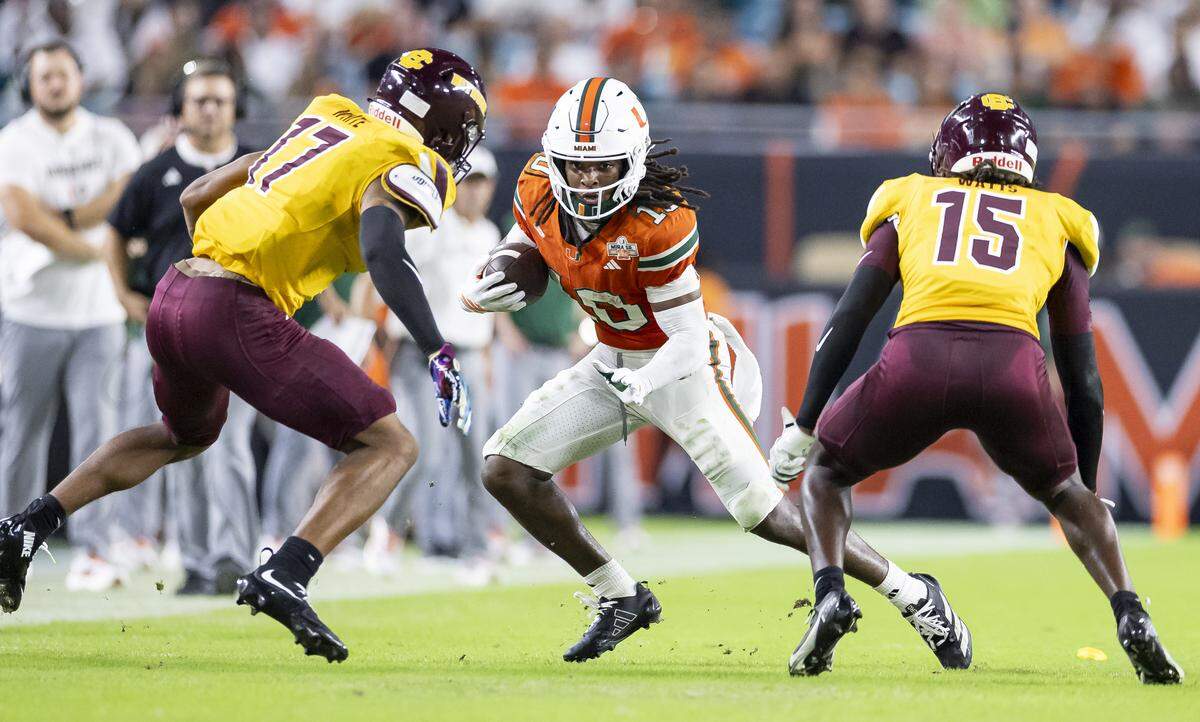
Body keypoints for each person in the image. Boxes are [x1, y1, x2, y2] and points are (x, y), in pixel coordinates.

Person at [461, 77, 970, 667]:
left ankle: (914, 595)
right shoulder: (537, 186)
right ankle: (620, 595)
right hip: (611, 358)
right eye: (576, 166)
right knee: (506, 470)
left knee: (764, 513)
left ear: (632, 161)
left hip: (681, 368)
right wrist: (497, 268)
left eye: (603, 168)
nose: (587, 181)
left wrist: (646, 384)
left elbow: (686, 338)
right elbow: (525, 235)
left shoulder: (659, 222)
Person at [0, 48, 484, 664]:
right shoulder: (405, 158)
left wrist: (218, 259)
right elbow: (384, 250)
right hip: (233, 310)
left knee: (182, 435)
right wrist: (436, 347)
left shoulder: (329, 114)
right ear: (443, 123)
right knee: (391, 444)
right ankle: (288, 571)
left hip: (174, 294)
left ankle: (29, 524)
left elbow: (198, 194)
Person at [767, 93, 1183, 684]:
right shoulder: (1057, 219)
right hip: (1011, 367)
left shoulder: (910, 197)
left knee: (827, 474)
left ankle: (831, 594)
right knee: (1066, 495)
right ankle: (1131, 613)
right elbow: (1084, 380)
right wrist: (1084, 488)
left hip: (918, 358)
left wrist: (807, 423)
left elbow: (850, 317)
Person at [104, 58, 260, 594]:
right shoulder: (155, 172)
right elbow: (116, 232)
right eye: (200, 100)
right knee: (186, 443)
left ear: (236, 106)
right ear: (181, 109)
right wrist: (125, 294)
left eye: (220, 98)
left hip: (239, 323)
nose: (211, 108)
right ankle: (196, 561)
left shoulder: (258, 171)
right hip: (173, 329)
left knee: (234, 446)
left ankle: (236, 558)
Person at [0, 40, 141, 592]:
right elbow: (21, 215)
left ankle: (97, 549)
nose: (54, 84)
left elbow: (125, 196)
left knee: (99, 436)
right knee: (21, 437)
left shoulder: (112, 136)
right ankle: (9, 540)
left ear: (82, 80)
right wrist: (93, 244)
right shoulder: (14, 140)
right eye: (44, 77)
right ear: (30, 86)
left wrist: (59, 214)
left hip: (98, 313)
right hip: (29, 308)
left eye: (62, 74)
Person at [364, 147, 504, 579]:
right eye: (469, 182)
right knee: (419, 450)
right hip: (423, 354)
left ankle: (476, 547)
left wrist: (484, 355)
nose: (475, 191)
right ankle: (387, 533)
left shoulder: (490, 234)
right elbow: (388, 275)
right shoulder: (429, 229)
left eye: (482, 182)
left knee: (478, 456)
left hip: (468, 353)